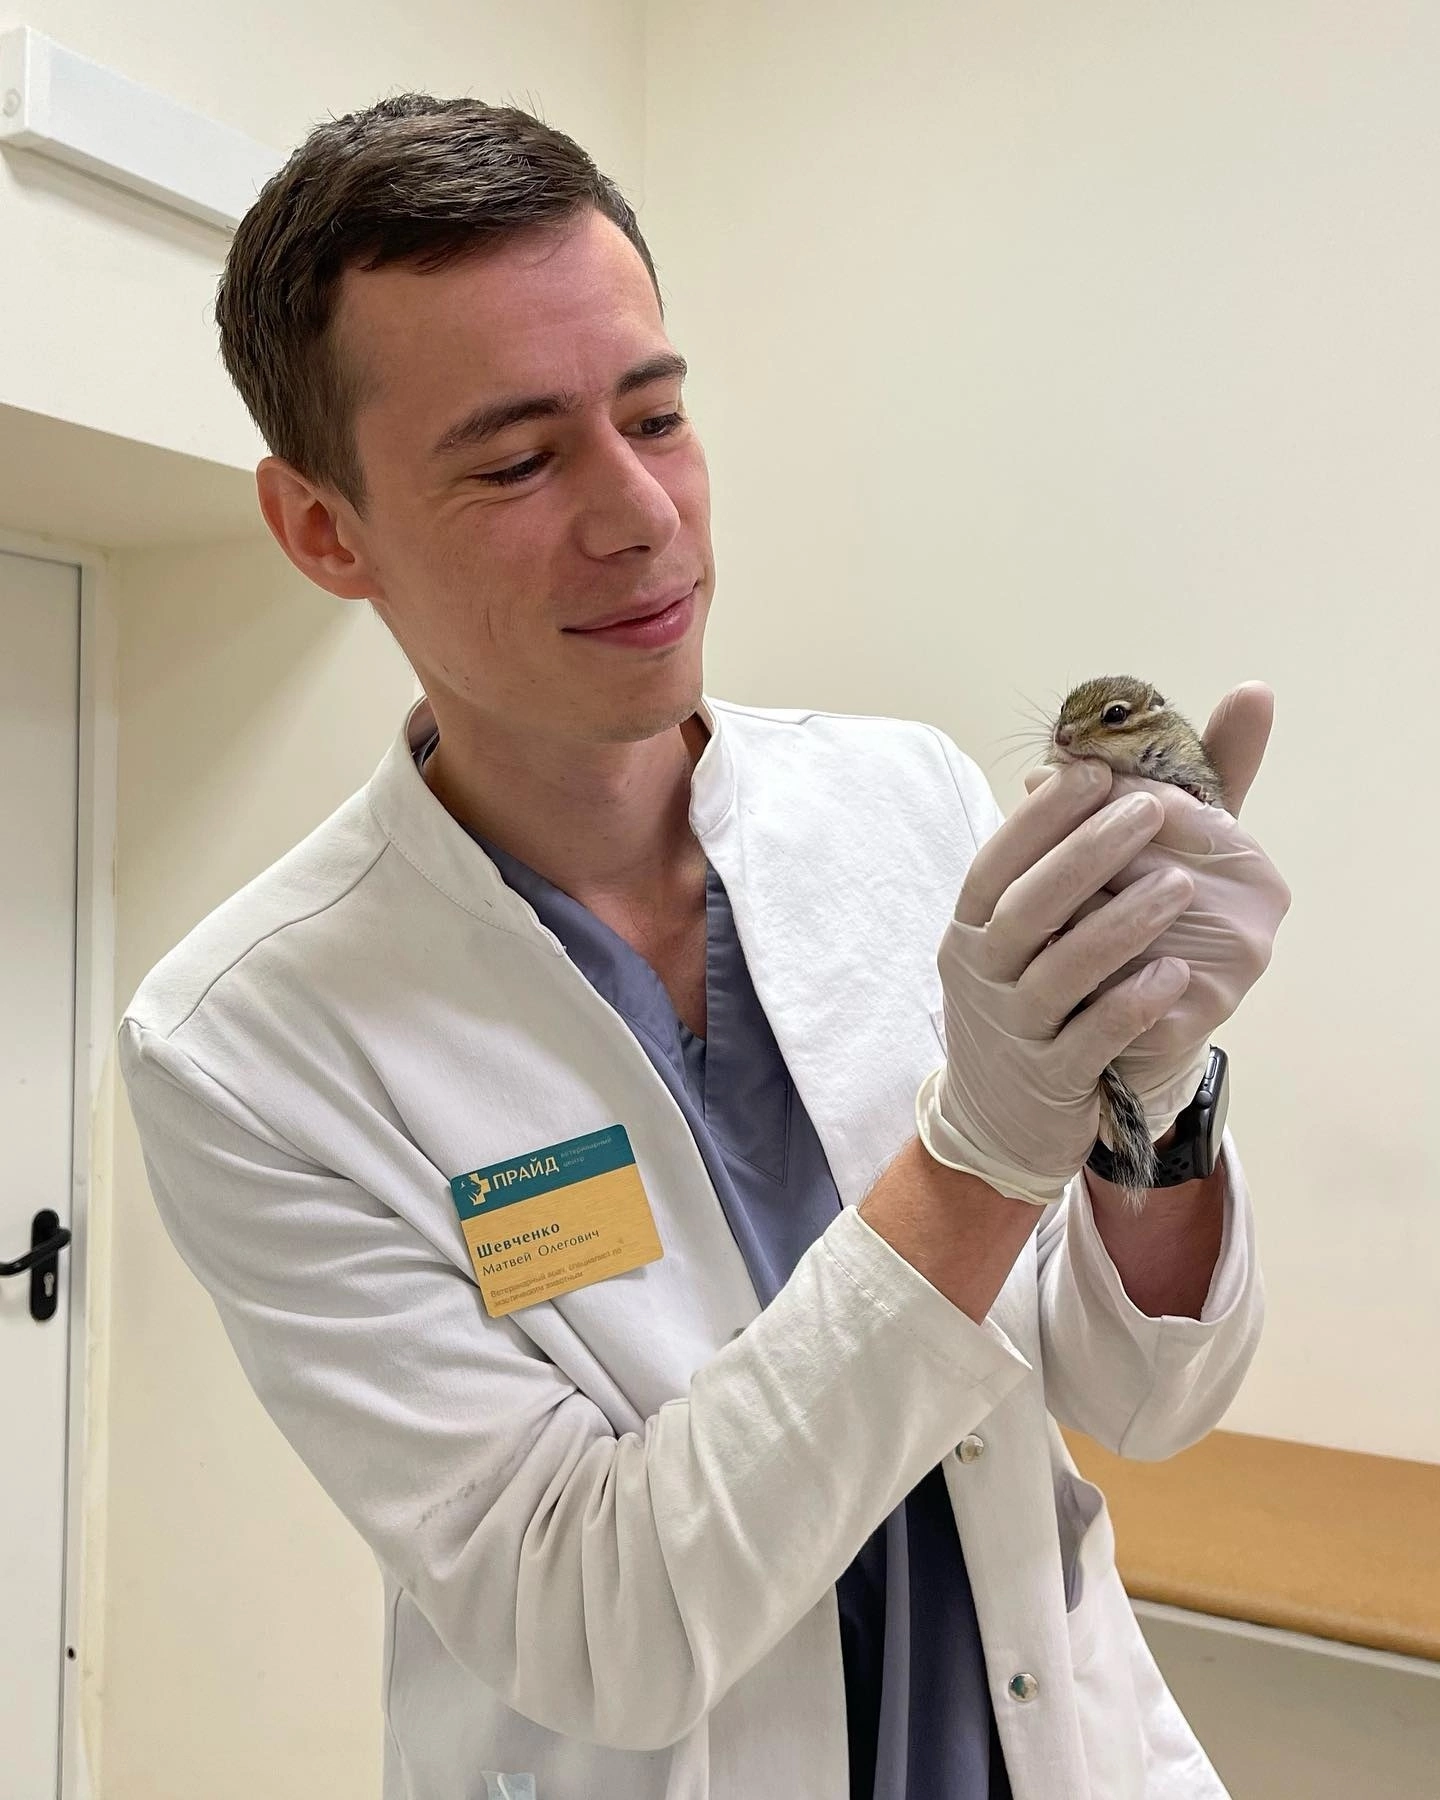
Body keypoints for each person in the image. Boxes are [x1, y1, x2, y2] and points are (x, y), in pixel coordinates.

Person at [118, 93, 1291, 1800]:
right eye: (518, 461)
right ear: (323, 528)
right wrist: (977, 1157)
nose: (638, 515)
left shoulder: (902, 798)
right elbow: (607, 1627)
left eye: (656, 415)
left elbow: (1143, 1394)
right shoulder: (251, 1041)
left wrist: (1147, 1100)